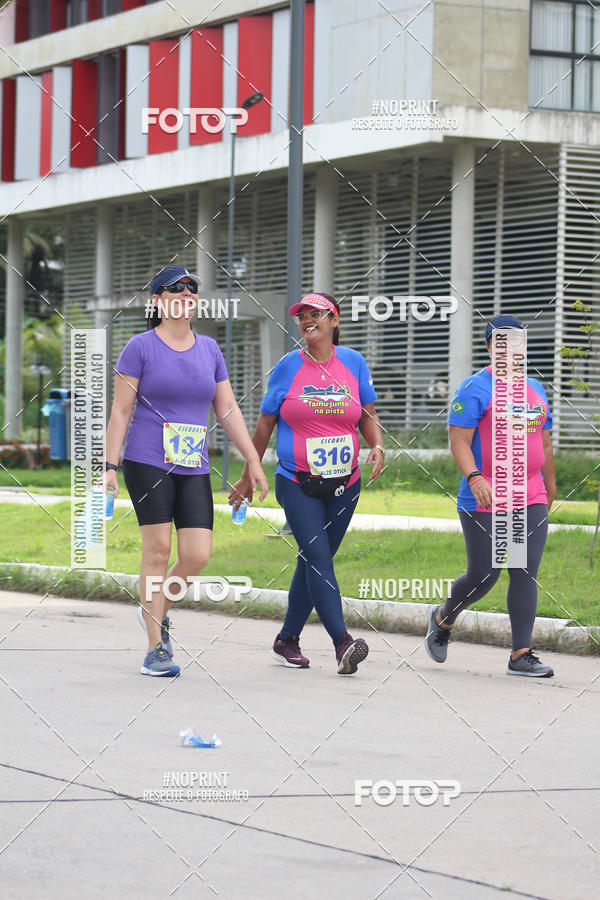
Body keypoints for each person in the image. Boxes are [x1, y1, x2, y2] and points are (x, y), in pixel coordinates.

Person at [105, 264, 268, 677]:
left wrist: (252, 458)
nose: (186, 297)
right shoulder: (139, 347)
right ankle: (155, 646)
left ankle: (156, 610)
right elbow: (121, 411)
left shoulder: (209, 349)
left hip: (192, 464)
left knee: (196, 555)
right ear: (157, 300)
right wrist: (109, 466)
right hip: (146, 461)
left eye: (192, 292)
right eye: (176, 291)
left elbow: (227, 409)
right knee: (158, 551)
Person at [230, 292, 385, 674]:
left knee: (314, 560)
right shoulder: (287, 367)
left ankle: (287, 639)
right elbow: (266, 423)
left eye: (317, 314)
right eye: (303, 316)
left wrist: (377, 444)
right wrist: (251, 472)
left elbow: (366, 414)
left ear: (335, 320)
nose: (308, 320)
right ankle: (342, 642)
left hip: (345, 484)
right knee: (317, 557)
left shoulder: (354, 363)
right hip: (296, 481)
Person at [425, 314, 557, 677]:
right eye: (502, 342)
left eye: (517, 342)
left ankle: (521, 654)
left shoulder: (535, 389)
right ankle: (442, 618)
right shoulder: (474, 388)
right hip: (485, 496)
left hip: (530, 494)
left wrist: (550, 484)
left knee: (525, 569)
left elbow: (543, 440)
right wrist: (475, 477)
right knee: (485, 574)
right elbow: (459, 442)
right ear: (489, 347)